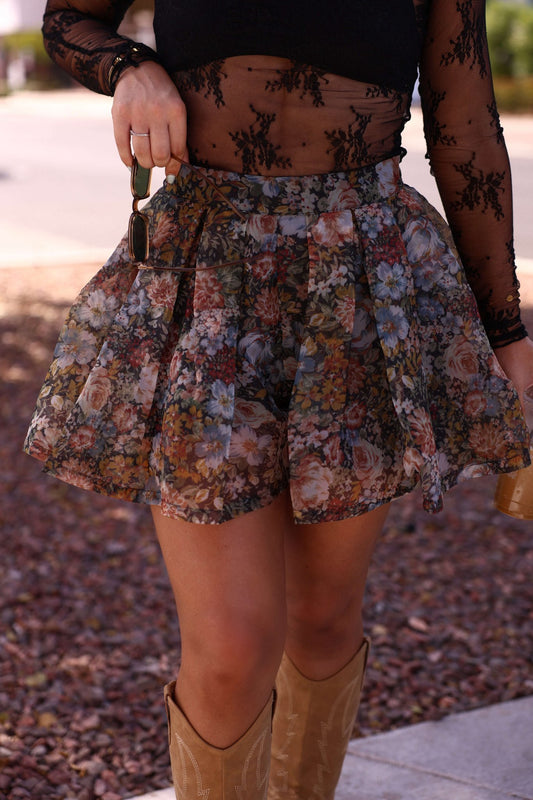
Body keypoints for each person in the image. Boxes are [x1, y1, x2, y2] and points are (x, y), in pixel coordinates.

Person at [25, 0, 533, 798]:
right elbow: (69, 20)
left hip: (359, 280)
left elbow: (463, 126)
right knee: (230, 648)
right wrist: (131, 68)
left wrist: (506, 330)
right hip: (207, 277)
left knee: (322, 618)